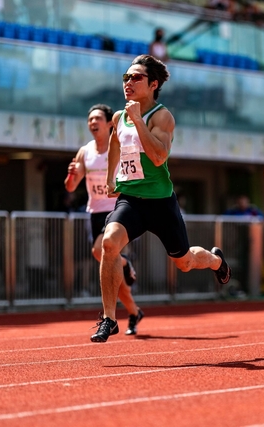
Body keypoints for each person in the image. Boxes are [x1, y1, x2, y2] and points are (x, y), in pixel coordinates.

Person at [93, 55, 232, 342]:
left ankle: (216, 261)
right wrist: (111, 178)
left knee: (185, 262)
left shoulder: (161, 116)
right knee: (109, 243)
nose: (128, 82)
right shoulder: (119, 118)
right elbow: (115, 143)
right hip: (131, 199)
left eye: (136, 78)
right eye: (125, 78)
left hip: (160, 203)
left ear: (153, 84)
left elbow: (158, 157)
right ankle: (108, 318)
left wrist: (137, 121)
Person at [65, 103, 144, 337]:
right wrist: (71, 174)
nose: (92, 123)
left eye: (97, 118)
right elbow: (70, 186)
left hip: (118, 209)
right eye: (90, 119)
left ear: (110, 123)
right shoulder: (85, 151)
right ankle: (133, 311)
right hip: (95, 211)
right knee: (114, 278)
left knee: (99, 250)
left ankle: (125, 265)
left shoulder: (118, 146)